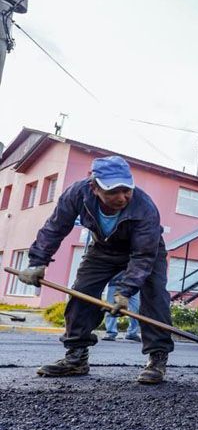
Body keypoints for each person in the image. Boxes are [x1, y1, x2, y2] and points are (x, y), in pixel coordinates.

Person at [17, 156, 174, 384]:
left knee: (155, 297)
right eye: (113, 192)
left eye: (126, 190)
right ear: (94, 187)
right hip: (104, 247)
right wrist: (37, 262)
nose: (122, 198)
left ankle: (157, 359)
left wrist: (125, 292)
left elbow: (143, 256)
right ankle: (76, 358)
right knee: (82, 292)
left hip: (146, 251)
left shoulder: (145, 207)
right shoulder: (78, 194)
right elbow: (55, 227)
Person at [101, 272, 141, 342]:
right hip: (115, 282)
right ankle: (111, 333)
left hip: (133, 283)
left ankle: (132, 333)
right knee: (111, 307)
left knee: (136, 308)